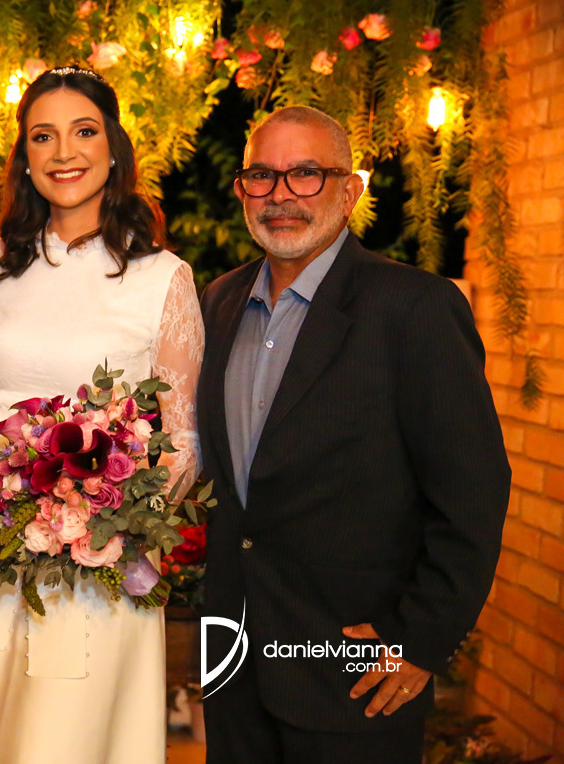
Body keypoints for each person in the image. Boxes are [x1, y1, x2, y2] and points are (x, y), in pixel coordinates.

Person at [0, 67, 203, 764]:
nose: (64, 152)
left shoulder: (162, 279)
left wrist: (98, 516)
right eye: (43, 136)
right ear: (24, 159)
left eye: (83, 131)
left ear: (114, 148)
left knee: (66, 735)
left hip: (98, 554)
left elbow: (183, 442)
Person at [196, 105, 510, 763]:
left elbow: (473, 491)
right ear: (243, 190)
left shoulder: (415, 307)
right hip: (233, 662)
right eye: (262, 175)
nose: (280, 194)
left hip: (355, 670)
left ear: (350, 190)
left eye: (306, 173)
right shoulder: (218, 302)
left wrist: (421, 641)